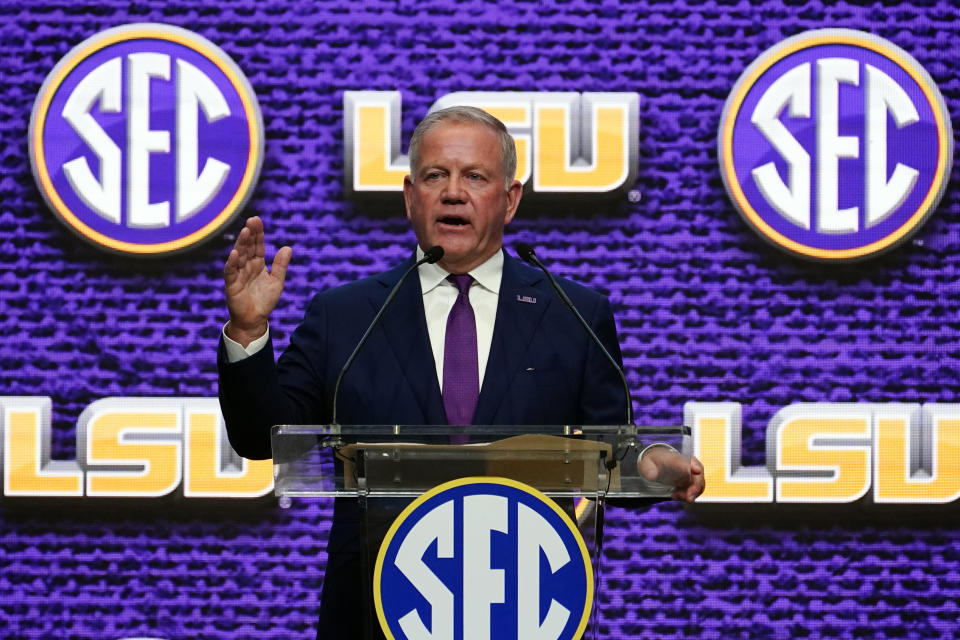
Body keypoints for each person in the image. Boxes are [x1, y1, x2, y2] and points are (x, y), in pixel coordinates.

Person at [217, 106, 704, 638]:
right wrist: (247, 331)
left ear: (510, 200)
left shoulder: (574, 313)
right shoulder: (346, 315)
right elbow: (261, 437)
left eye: (475, 176)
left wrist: (654, 464)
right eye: (435, 176)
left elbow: (614, 449)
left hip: (526, 610)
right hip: (372, 614)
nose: (453, 192)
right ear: (410, 198)